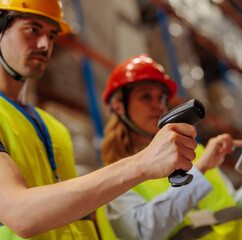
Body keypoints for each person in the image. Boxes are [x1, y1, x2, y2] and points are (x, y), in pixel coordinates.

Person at [0, 1, 198, 239]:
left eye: (51, 35)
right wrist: (143, 163)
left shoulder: (55, 128)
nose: (45, 45)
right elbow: (20, 214)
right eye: (33, 29)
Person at [98, 54, 242, 240]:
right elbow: (140, 234)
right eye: (145, 96)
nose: (158, 106)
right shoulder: (115, 177)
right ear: (119, 107)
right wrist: (201, 169)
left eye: (161, 98)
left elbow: (232, 213)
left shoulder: (196, 152)